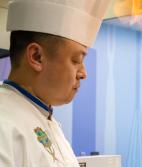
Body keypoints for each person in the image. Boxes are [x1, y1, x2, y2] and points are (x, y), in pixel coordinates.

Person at [0, 0, 110, 167]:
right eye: (76, 60)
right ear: (36, 57)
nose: (83, 73)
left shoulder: (48, 121)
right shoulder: (4, 124)